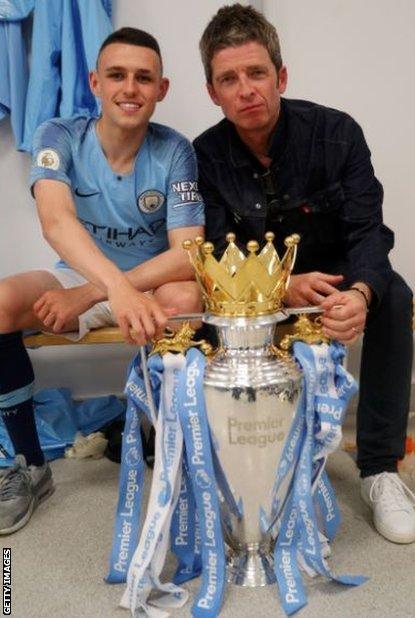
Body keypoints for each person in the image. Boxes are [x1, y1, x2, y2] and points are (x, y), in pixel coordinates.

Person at [194, 4, 414, 544]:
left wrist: (361, 293)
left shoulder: (338, 133)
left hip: (340, 277)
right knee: (200, 313)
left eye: (257, 73)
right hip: (257, 290)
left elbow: (369, 232)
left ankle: (380, 469)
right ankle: (231, 465)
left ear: (281, 76)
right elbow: (214, 253)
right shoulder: (203, 155)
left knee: (397, 297)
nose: (246, 89)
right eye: (229, 79)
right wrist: (279, 288)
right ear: (212, 92)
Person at [0, 27, 204, 534]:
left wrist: (99, 289)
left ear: (162, 89)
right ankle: (29, 465)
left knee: (184, 297)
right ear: (95, 82)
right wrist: (104, 285)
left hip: (147, 282)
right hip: (84, 274)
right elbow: (56, 222)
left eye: (143, 77)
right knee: (0, 301)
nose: (129, 88)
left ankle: (167, 442)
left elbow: (185, 255)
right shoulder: (59, 135)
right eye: (117, 75)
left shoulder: (176, 151)